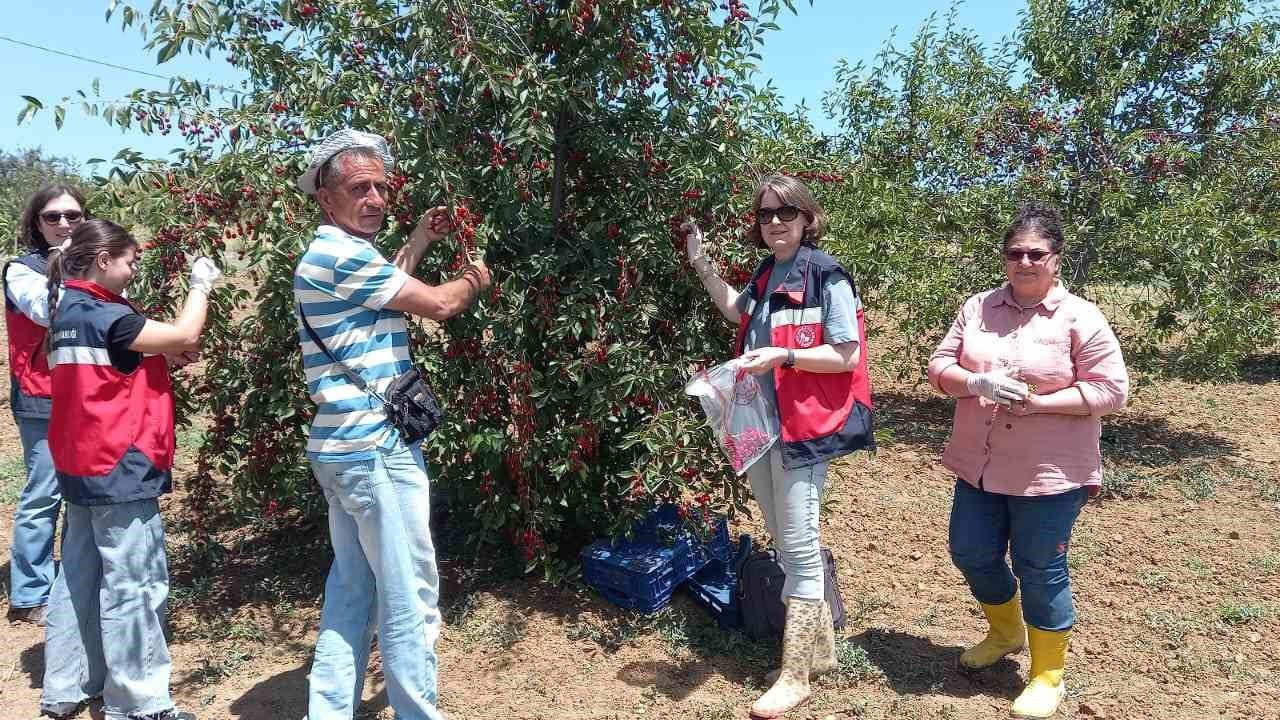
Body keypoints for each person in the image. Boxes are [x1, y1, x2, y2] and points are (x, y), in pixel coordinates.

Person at [293, 128, 491, 720]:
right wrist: (477, 276)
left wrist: (421, 239)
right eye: (360, 188)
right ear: (327, 199)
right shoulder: (342, 253)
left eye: (382, 185)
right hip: (375, 452)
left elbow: (386, 288)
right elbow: (436, 304)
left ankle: (327, 711)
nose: (376, 197)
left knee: (353, 588)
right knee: (405, 594)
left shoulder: (337, 254)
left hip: (342, 449)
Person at [927, 202, 1128, 719]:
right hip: (981, 463)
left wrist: (1041, 403)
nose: (1025, 262)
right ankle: (1007, 631)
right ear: (1004, 258)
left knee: (1040, 567)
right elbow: (939, 365)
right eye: (1015, 253)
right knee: (971, 551)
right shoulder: (979, 308)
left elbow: (1111, 390)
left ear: (1055, 258)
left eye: (1036, 253)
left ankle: (1047, 675)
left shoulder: (1080, 317)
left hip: (1049, 471)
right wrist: (976, 382)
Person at [685, 174, 874, 718]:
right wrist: (702, 262)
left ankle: (795, 677)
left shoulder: (827, 274)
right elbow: (735, 312)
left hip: (806, 428)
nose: (774, 223)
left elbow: (846, 356)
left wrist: (783, 357)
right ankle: (821, 654)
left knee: (798, 542)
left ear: (806, 217)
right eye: (766, 215)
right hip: (766, 424)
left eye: (785, 213)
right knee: (788, 541)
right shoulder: (768, 274)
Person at [38, 218, 220, 720]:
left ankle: (68, 687)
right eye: (130, 260)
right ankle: (138, 703)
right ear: (103, 261)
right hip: (120, 461)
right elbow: (185, 330)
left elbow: (112, 368)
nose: (134, 268)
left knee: (78, 577)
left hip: (79, 462)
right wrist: (200, 285)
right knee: (134, 582)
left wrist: (160, 358)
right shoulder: (104, 312)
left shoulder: (68, 312)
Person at [2, 185, 87, 626]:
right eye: (52, 217)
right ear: (36, 223)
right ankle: (30, 593)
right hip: (42, 397)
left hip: (87, 394)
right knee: (44, 492)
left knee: (82, 491)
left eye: (72, 216)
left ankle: (71, 578)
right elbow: (49, 310)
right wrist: (73, 265)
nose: (63, 224)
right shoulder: (21, 270)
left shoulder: (93, 263)